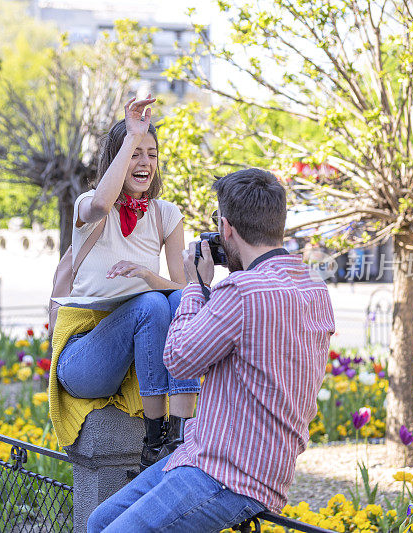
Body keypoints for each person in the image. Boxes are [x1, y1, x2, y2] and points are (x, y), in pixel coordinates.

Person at [88, 168, 336, 532]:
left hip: (228, 474)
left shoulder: (241, 292)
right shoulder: (315, 287)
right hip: (217, 456)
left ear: (227, 228)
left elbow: (178, 358)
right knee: (99, 521)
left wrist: (194, 286)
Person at [49, 95, 200, 472]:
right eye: (134, 152)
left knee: (173, 301)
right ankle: (154, 439)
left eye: (150, 153)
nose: (144, 162)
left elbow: (179, 291)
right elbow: (102, 203)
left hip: (134, 347)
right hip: (83, 357)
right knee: (150, 304)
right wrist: (133, 131)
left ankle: (174, 435)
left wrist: (148, 276)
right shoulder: (90, 205)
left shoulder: (166, 214)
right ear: (116, 159)